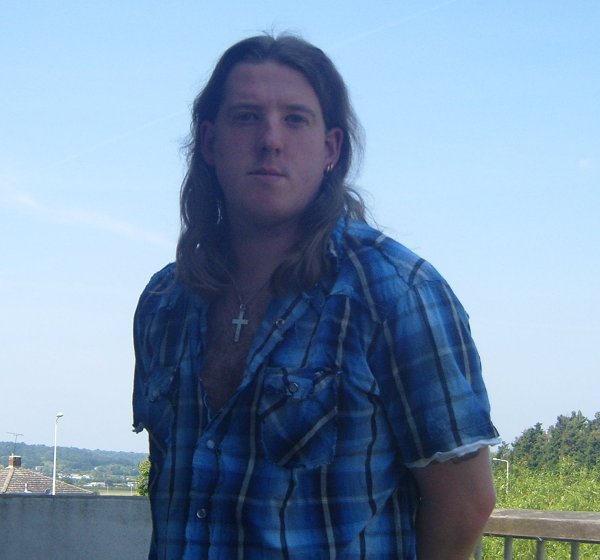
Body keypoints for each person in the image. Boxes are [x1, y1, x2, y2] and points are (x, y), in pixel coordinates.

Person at [133, 34, 500, 560]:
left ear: (330, 149)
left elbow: (465, 503)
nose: (270, 140)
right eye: (246, 117)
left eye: (295, 119)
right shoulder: (165, 303)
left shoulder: (396, 294)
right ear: (210, 143)